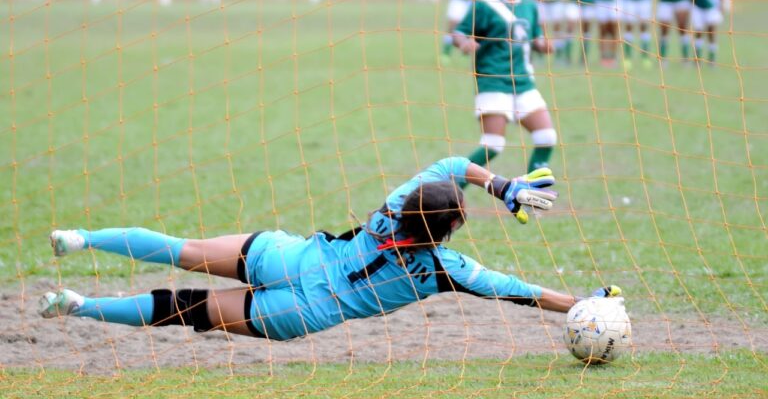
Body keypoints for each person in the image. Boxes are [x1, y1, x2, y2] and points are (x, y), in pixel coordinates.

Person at [39, 157, 622, 340]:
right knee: (187, 308)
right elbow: (518, 292)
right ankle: (77, 305)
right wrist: (581, 303)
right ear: (446, 233)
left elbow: (449, 164)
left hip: (292, 257)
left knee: (182, 249)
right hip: (306, 312)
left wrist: (498, 183)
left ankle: (81, 238)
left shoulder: (387, 211)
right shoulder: (448, 269)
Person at [452, 0, 557, 174]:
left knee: (546, 137)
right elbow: (458, 32)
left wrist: (543, 44)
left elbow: (535, 36)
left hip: (523, 81)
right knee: (493, 145)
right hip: (493, 80)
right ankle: (453, 181)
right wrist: (464, 43)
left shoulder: (529, 5)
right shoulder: (484, 4)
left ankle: (531, 192)